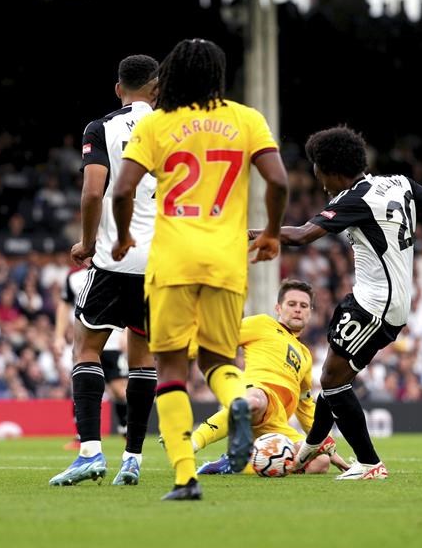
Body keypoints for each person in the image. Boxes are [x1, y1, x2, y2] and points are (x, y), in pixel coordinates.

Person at [112, 38, 289, 501]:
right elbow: (279, 180)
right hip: (227, 260)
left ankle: (185, 478)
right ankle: (235, 402)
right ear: (218, 75)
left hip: (171, 260)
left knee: (170, 367)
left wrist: (123, 234)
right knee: (218, 360)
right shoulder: (246, 118)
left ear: (169, 77)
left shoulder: (158, 125)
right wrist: (270, 232)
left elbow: (121, 188)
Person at [280, 126, 422, 480]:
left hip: (375, 305)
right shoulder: (399, 183)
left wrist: (250, 233)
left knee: (333, 380)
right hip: (390, 304)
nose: (319, 180)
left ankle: (369, 463)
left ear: (332, 169)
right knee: (334, 376)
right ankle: (316, 442)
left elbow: (301, 235)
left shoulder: (351, 199)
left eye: (318, 171)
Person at [49, 55, 160, 487]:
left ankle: (91, 452)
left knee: (86, 348)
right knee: (143, 358)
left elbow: (93, 191)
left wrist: (88, 243)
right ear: (157, 89)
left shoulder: (102, 127)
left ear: (119, 89)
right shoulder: (174, 129)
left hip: (116, 257)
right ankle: (132, 458)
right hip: (161, 263)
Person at [193, 278, 350, 475]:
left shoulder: (305, 355)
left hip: (276, 424)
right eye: (291, 304)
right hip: (257, 394)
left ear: (310, 312)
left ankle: (235, 465)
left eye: (303, 306)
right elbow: (222, 337)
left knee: (320, 463)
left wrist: (329, 449)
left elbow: (306, 407)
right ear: (278, 307)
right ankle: (194, 441)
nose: (297, 309)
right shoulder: (261, 324)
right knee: (256, 400)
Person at [52, 266, 129, 451]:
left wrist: (127, 332)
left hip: (112, 341)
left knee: (119, 391)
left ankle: (126, 430)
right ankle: (81, 436)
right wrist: (58, 336)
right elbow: (64, 305)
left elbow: (127, 301)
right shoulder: (73, 276)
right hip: (83, 343)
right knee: (81, 385)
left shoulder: (115, 268)